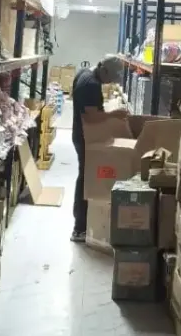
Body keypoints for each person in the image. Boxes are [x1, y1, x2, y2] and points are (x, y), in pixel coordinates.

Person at [71, 55, 126, 242]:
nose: (110, 82)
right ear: (103, 70)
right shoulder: (91, 85)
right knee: (86, 180)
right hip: (85, 138)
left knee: (85, 177)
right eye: (110, 77)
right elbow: (91, 117)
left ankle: (82, 222)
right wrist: (114, 114)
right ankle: (79, 228)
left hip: (82, 135)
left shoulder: (84, 74)